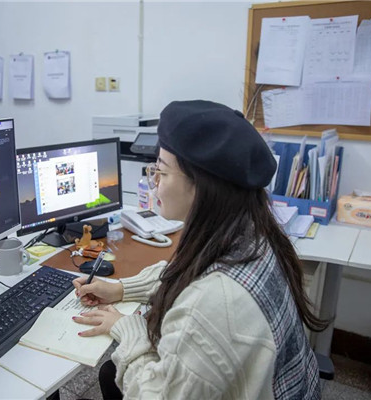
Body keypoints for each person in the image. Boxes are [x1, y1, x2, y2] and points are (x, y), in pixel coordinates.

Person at [72, 100, 327, 399]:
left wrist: (128, 328)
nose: (154, 181)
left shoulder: (213, 304)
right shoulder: (252, 233)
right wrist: (121, 289)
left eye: (161, 171)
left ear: (201, 188)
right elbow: (190, 273)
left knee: (115, 370)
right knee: (110, 373)